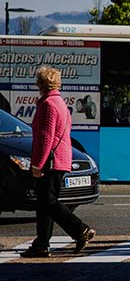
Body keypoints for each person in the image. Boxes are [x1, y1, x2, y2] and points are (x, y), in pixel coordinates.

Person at [20, 66, 96, 258]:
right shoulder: (60, 103)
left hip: (50, 161)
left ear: (40, 84)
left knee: (48, 202)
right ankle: (41, 244)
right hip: (60, 159)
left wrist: (37, 164)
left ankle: (80, 231)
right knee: (45, 203)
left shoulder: (47, 105)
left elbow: (46, 137)